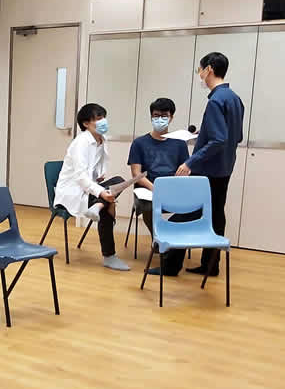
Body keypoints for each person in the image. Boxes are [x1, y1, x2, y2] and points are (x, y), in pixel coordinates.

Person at [155, 51, 244, 277]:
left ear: (209, 69)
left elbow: (218, 140)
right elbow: (235, 137)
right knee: (216, 215)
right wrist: (202, 136)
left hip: (209, 170)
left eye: (200, 70)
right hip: (225, 167)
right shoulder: (234, 99)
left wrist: (190, 162)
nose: (200, 75)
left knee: (188, 212)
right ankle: (210, 265)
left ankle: (170, 265)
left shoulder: (216, 101)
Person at [53, 103, 131, 271]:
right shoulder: (81, 143)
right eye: (98, 118)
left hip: (88, 187)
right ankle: (109, 256)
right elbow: (80, 177)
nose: (103, 121)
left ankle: (98, 205)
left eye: (103, 117)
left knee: (118, 181)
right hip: (72, 191)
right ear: (86, 123)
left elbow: (96, 170)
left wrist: (98, 179)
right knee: (108, 203)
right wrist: (101, 192)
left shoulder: (101, 140)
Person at [127, 97, 191, 240]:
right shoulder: (139, 143)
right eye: (156, 116)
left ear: (171, 117)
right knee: (149, 207)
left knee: (194, 205)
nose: (160, 119)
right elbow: (136, 174)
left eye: (164, 116)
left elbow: (185, 171)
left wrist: (175, 184)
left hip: (172, 188)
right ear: (151, 117)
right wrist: (156, 189)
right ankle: (157, 239)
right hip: (148, 189)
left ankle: (169, 236)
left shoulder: (179, 143)